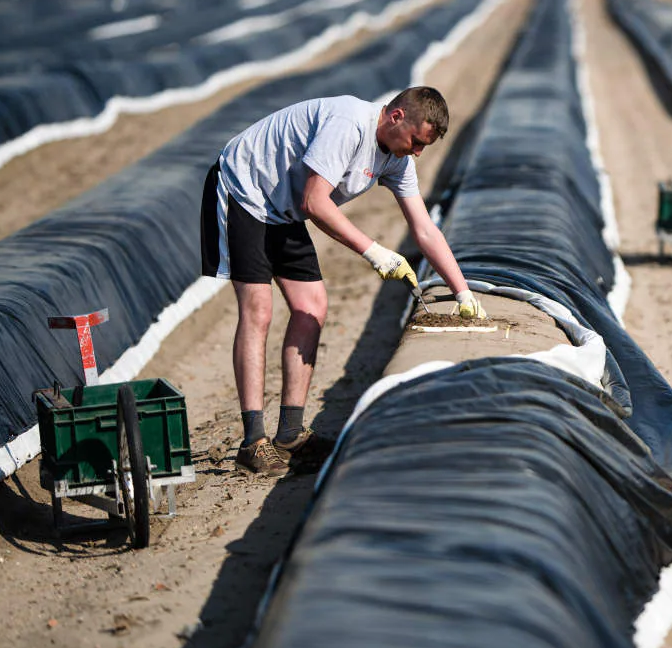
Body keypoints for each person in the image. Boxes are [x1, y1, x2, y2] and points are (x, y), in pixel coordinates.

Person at [200, 87, 487, 476]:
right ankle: (253, 442)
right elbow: (315, 203)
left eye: (424, 148)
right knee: (259, 310)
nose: (417, 153)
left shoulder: (397, 158)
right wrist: (374, 251)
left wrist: (462, 290)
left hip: (282, 208)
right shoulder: (350, 123)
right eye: (417, 143)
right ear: (396, 117)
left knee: (312, 306)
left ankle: (289, 433)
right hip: (245, 190)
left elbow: (424, 228)